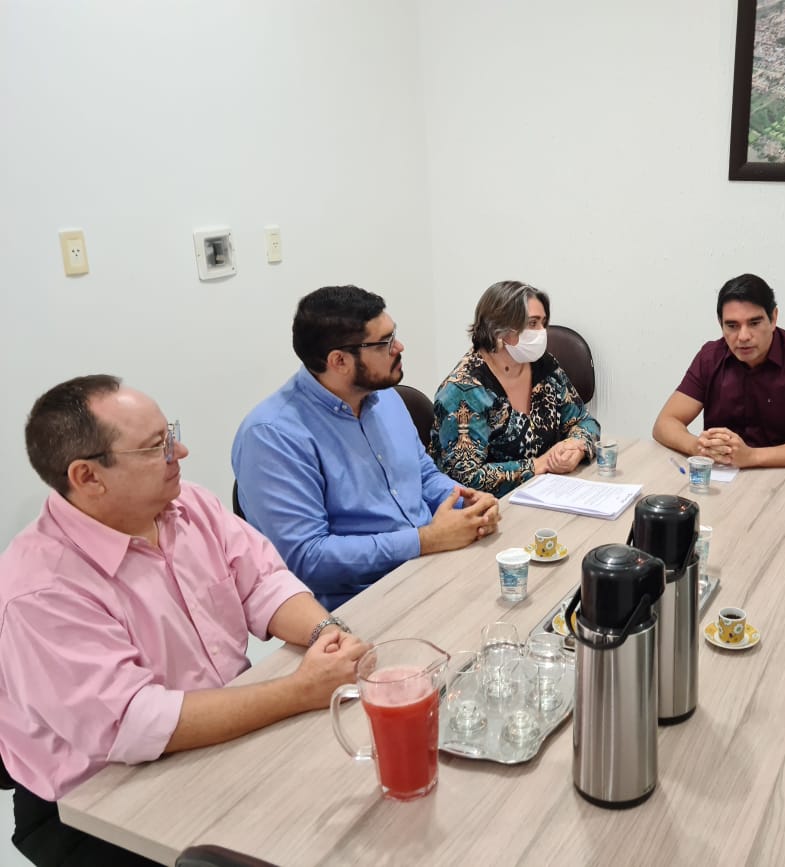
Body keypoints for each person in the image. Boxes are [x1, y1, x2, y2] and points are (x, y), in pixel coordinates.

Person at [0, 376, 371, 867]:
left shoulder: (185, 504)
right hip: (100, 799)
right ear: (88, 477)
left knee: (366, 802)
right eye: (157, 447)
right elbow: (135, 723)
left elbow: (263, 582)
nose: (182, 451)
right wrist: (299, 691)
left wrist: (328, 635)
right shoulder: (41, 590)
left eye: (169, 432)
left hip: (221, 731)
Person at [232, 285, 500, 609]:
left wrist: (466, 503)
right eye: (385, 343)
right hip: (358, 606)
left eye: (394, 335)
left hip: (430, 569)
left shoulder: (384, 397)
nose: (399, 347)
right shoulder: (272, 436)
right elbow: (307, 560)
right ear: (340, 361)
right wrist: (424, 541)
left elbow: (424, 476)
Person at [652, 273, 785, 468]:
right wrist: (699, 447)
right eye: (732, 326)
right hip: (723, 480)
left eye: (754, 323)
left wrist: (752, 457)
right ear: (721, 324)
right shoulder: (710, 357)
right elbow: (664, 423)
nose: (743, 336)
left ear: (773, 318)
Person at [429, 280, 600, 496]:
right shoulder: (464, 390)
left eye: (543, 323)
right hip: (490, 510)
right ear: (499, 330)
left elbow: (584, 420)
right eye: (532, 323)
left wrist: (577, 447)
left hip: (550, 493)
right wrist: (539, 465)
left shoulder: (544, 366)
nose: (542, 332)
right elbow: (465, 477)